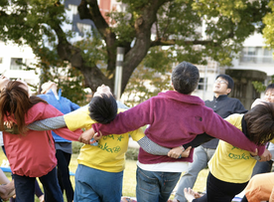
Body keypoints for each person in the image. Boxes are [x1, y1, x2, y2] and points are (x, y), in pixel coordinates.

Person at [79, 61, 268, 202]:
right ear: (195, 85)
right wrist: (258, 149)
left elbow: (123, 122)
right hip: (176, 167)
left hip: (149, 167)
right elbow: (232, 134)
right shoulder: (204, 113)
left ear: (172, 81)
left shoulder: (155, 104)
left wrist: (96, 128)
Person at [27, 84, 188, 202]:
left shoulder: (90, 112)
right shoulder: (125, 115)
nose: (103, 86)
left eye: (105, 88)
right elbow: (147, 144)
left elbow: (51, 123)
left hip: (90, 172)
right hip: (110, 174)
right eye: (99, 89)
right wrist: (171, 151)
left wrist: (20, 125)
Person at [0, 80, 82, 202]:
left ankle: (8, 190)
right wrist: (82, 136)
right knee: (54, 194)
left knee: (23, 198)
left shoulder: (4, 113)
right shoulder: (39, 108)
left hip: (20, 164)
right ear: (27, 96)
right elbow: (62, 122)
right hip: (44, 161)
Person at [170, 74, 247, 202]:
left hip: (219, 148)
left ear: (229, 90)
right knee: (190, 171)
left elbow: (243, 122)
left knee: (215, 178)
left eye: (222, 82)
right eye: (217, 81)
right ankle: (179, 199)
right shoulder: (205, 104)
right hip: (201, 147)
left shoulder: (234, 103)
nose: (218, 83)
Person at [183, 101, 274, 202]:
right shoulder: (234, 121)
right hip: (219, 178)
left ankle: (192, 199)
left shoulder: (268, 128)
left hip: (241, 181)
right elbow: (210, 133)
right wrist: (185, 145)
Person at [0, 75, 45, 202]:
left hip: (17, 142)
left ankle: (8, 189)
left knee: (23, 173)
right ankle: (10, 190)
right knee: (22, 174)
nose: (2, 75)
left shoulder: (13, 98)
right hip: (10, 143)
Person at [38, 81, 80, 202]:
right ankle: (72, 198)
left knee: (61, 174)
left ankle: (52, 199)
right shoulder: (42, 98)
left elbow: (81, 112)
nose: (51, 82)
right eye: (47, 83)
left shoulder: (66, 100)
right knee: (64, 172)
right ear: (43, 89)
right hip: (53, 141)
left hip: (67, 141)